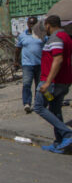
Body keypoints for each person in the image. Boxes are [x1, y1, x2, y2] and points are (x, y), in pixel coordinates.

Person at [34, 15, 72, 153]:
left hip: (52, 82)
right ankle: (59, 143)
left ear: (48, 25)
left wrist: (47, 82)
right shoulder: (66, 37)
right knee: (55, 110)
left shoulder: (56, 38)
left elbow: (58, 59)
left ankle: (67, 134)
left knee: (38, 107)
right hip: (63, 81)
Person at [15, 16, 44, 113]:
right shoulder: (22, 36)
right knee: (27, 84)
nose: (31, 25)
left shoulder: (42, 35)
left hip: (40, 64)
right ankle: (27, 103)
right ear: (27, 24)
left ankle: (38, 103)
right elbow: (18, 49)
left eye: (34, 23)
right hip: (27, 64)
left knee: (39, 85)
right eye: (30, 23)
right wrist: (16, 61)